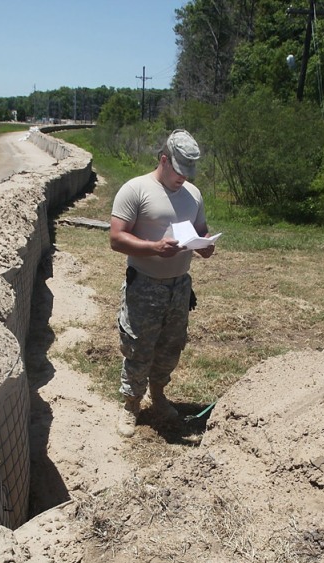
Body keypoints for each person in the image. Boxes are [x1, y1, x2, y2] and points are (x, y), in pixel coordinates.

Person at [108, 129, 214, 437]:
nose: (184, 178)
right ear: (164, 160)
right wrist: (153, 248)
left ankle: (158, 395)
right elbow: (116, 238)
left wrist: (205, 244)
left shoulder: (193, 195)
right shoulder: (136, 190)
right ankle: (130, 405)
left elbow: (201, 230)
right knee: (138, 347)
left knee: (170, 346)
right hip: (145, 286)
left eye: (188, 172)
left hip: (179, 287)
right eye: (179, 170)